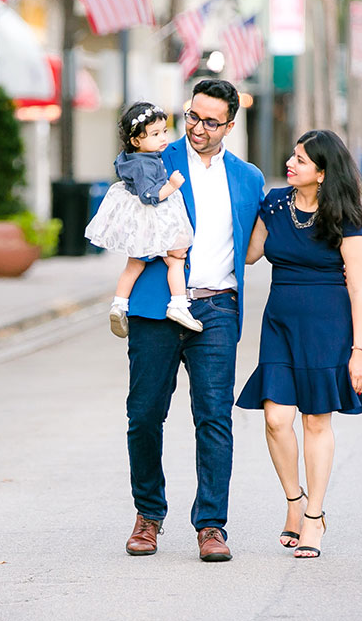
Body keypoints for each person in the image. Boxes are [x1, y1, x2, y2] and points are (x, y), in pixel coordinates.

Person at [121, 79, 265, 563]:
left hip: (217, 306)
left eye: (209, 121)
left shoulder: (248, 179)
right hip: (157, 307)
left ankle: (211, 525)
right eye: (192, 116)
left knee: (214, 418)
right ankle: (148, 513)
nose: (197, 128)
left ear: (229, 124)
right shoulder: (155, 159)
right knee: (144, 415)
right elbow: (127, 218)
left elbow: (255, 247)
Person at [236, 129, 362, 560]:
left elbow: (359, 286)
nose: (290, 164)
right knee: (276, 417)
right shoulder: (275, 203)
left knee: (316, 420)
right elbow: (249, 253)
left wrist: (359, 350)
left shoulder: (343, 215)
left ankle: (314, 517)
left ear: (322, 172)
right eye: (292, 155)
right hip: (280, 323)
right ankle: (294, 502)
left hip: (328, 326)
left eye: (300, 160)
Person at [85, 102, 202, 336]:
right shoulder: (145, 164)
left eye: (164, 131)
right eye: (155, 134)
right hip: (153, 217)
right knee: (177, 257)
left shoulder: (130, 158)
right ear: (136, 141)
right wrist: (172, 185)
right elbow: (151, 196)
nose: (162, 138)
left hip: (139, 221)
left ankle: (119, 304)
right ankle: (178, 304)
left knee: (135, 264)